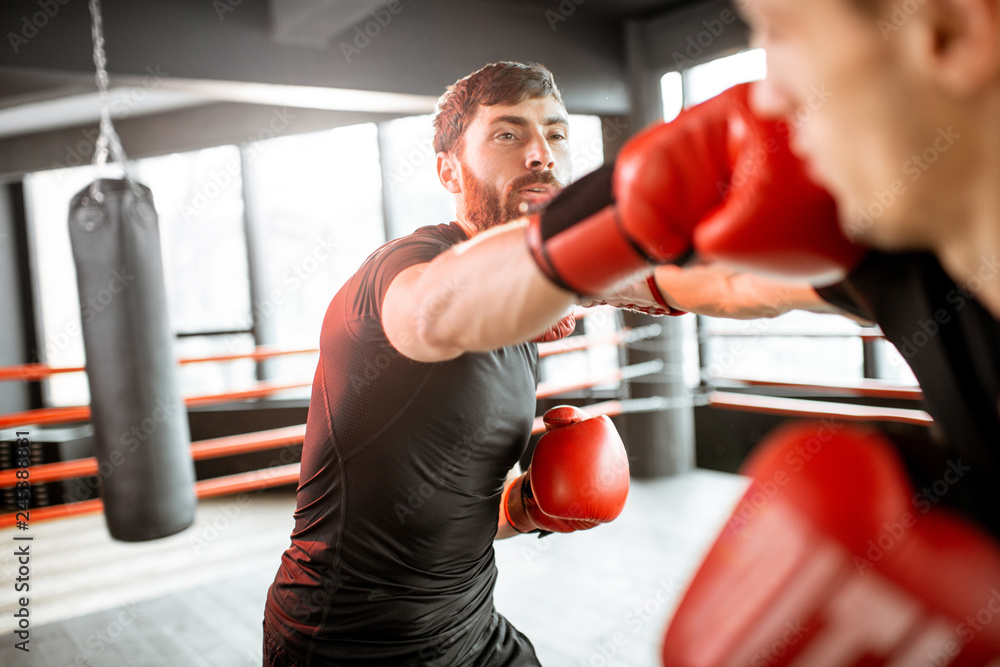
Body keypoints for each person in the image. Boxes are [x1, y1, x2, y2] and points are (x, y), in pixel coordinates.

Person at [262, 62, 633, 667]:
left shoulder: (521, 313)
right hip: (349, 645)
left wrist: (527, 507)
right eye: (508, 135)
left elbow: (447, 517)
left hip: (472, 625)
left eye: (557, 134)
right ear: (449, 170)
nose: (541, 153)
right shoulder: (404, 269)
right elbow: (423, 310)